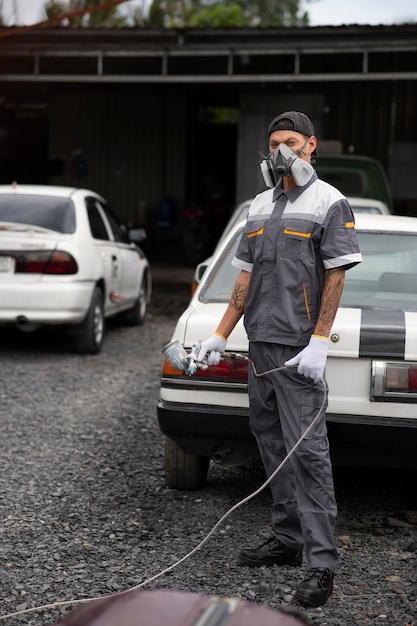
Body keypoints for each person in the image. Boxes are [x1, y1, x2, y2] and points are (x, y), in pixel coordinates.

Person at [197, 111, 362, 608]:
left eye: (290, 142)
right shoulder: (260, 204)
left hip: (299, 348)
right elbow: (243, 278)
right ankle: (289, 538)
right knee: (269, 440)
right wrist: (220, 334)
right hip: (260, 345)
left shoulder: (329, 202)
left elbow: (335, 275)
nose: (281, 152)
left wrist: (319, 340)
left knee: (307, 453)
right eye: (274, 143)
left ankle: (320, 563)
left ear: (311, 145)